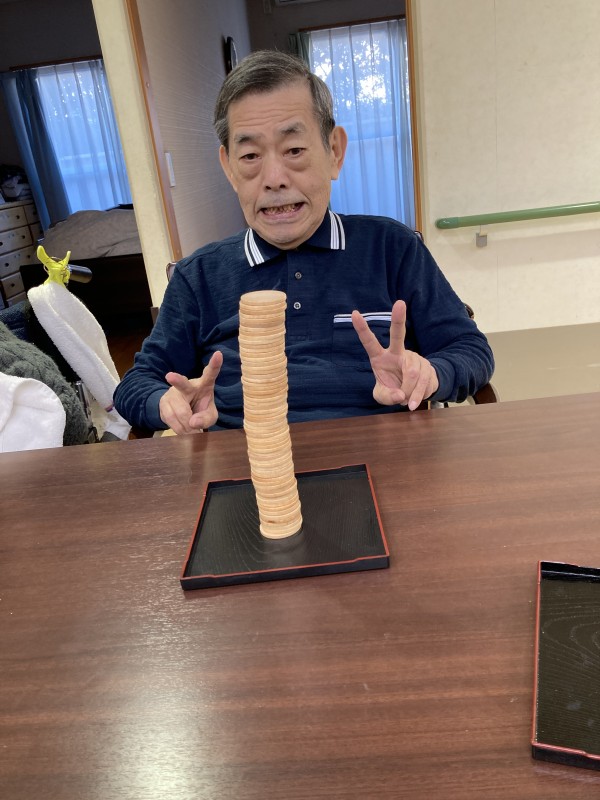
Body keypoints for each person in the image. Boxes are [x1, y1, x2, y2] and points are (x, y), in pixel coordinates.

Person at [114, 50, 494, 434]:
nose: (274, 179)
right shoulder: (198, 276)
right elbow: (135, 384)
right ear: (229, 168)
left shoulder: (392, 247)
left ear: (334, 152)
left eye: (294, 150)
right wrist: (167, 403)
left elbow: (470, 350)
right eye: (250, 155)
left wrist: (429, 372)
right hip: (247, 459)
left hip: (382, 452)